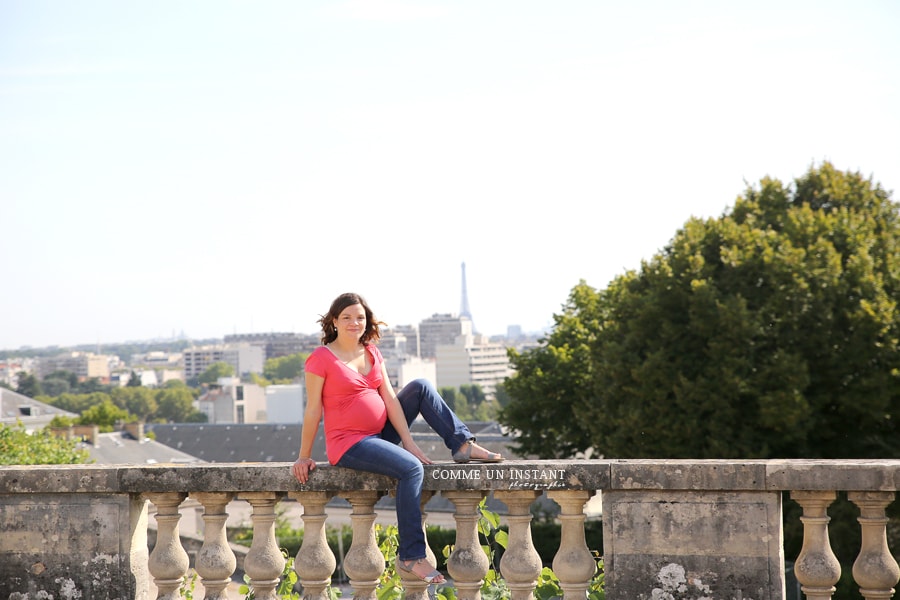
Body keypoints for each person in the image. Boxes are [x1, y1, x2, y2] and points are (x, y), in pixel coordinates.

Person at [291, 292, 502, 585]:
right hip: (349, 444)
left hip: (378, 436)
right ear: (334, 322)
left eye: (360, 317)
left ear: (367, 321)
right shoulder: (321, 359)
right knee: (412, 469)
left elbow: (389, 399)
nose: (355, 322)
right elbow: (313, 410)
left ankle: (462, 444)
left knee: (420, 386)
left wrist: (408, 441)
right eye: (347, 317)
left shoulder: (372, 352)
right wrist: (304, 455)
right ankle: (411, 555)